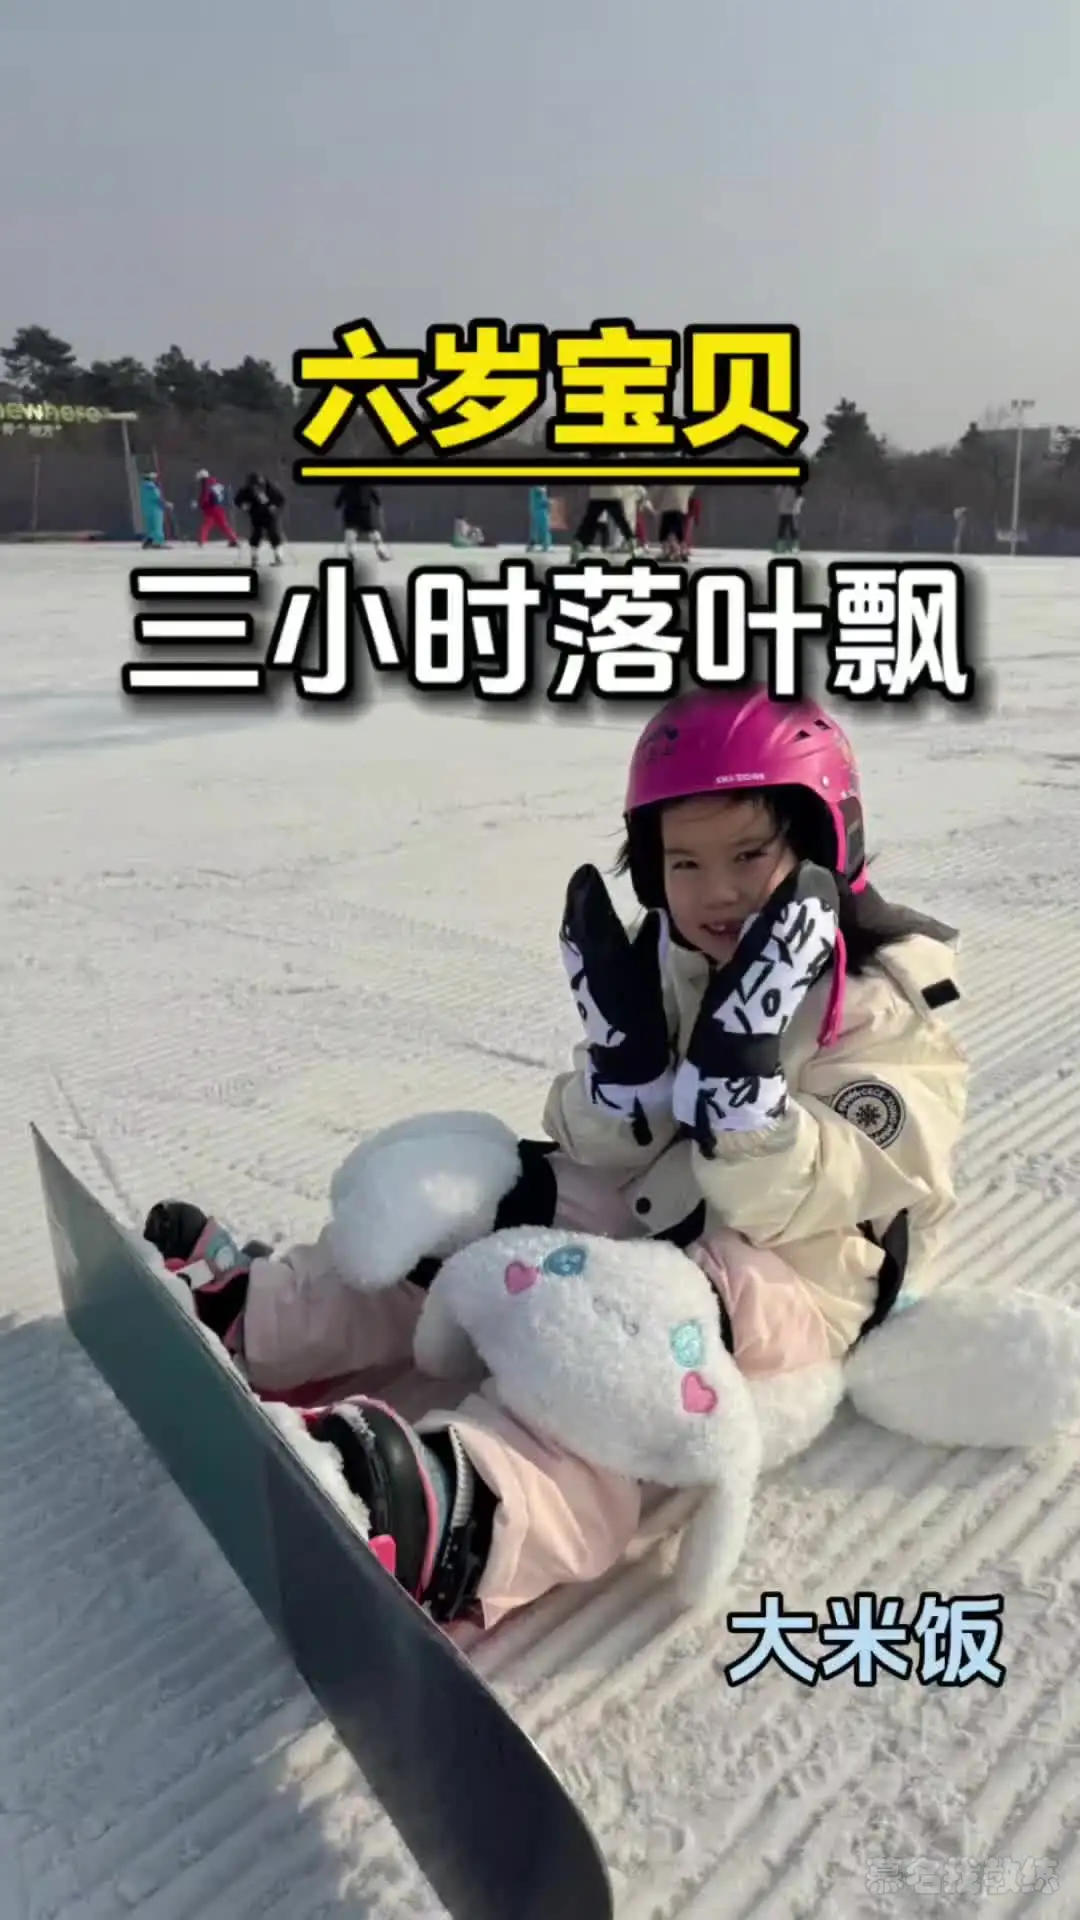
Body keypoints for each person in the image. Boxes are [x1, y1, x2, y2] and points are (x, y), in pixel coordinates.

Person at [142, 686, 969, 1630]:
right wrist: (624, 1085)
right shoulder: (674, 957)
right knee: (493, 1194)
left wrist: (746, 1104)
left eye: (749, 855)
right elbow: (592, 1146)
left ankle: (471, 1509)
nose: (718, 891)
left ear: (827, 843)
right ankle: (272, 1319)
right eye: (685, 863)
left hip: (795, 1281)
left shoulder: (886, 1001)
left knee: (622, 1333)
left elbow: (845, 1185)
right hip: (662, 1208)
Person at [234, 471, 286, 564]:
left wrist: (275, 506)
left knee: (273, 533)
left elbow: (281, 499)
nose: (256, 489)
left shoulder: (269, 489)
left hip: (269, 515)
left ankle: (278, 555)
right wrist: (243, 505)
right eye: (254, 487)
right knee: (256, 535)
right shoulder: (246, 491)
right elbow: (237, 500)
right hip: (255, 516)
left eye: (258, 486)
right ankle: (254, 555)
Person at [336, 480, 390, 560]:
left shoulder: (350, 485)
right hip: (358, 513)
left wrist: (338, 504)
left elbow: (338, 501)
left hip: (359, 513)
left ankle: (380, 552)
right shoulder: (354, 485)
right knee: (353, 534)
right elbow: (377, 499)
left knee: (371, 534)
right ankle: (352, 554)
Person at [194, 469, 240, 547]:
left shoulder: (205, 484)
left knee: (206, 525)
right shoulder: (218, 484)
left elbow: (205, 496)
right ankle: (233, 539)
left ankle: (201, 541)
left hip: (210, 508)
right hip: (219, 507)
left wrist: (200, 504)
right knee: (224, 525)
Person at [652, 482, 696, 558]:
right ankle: (680, 550)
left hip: (669, 506)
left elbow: (656, 489)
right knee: (677, 531)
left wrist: (654, 503)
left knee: (668, 532)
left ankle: (673, 551)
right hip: (680, 506)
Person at [139, 470, 168, 549]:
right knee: (157, 526)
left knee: (150, 527)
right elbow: (157, 498)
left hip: (147, 509)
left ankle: (149, 542)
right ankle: (158, 542)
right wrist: (166, 504)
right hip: (155, 509)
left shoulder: (143, 487)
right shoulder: (151, 487)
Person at [774, 480, 803, 553]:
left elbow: (800, 497)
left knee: (792, 529)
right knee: (782, 529)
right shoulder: (780, 488)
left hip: (791, 511)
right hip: (783, 511)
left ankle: (795, 546)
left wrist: (796, 507)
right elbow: (777, 494)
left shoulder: (794, 488)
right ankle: (781, 546)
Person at [526, 483, 552, 551]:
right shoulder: (537, 489)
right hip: (538, 511)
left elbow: (543, 498)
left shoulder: (541, 492)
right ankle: (535, 545)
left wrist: (548, 502)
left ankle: (544, 546)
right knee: (538, 529)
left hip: (540, 510)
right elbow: (540, 490)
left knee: (541, 529)